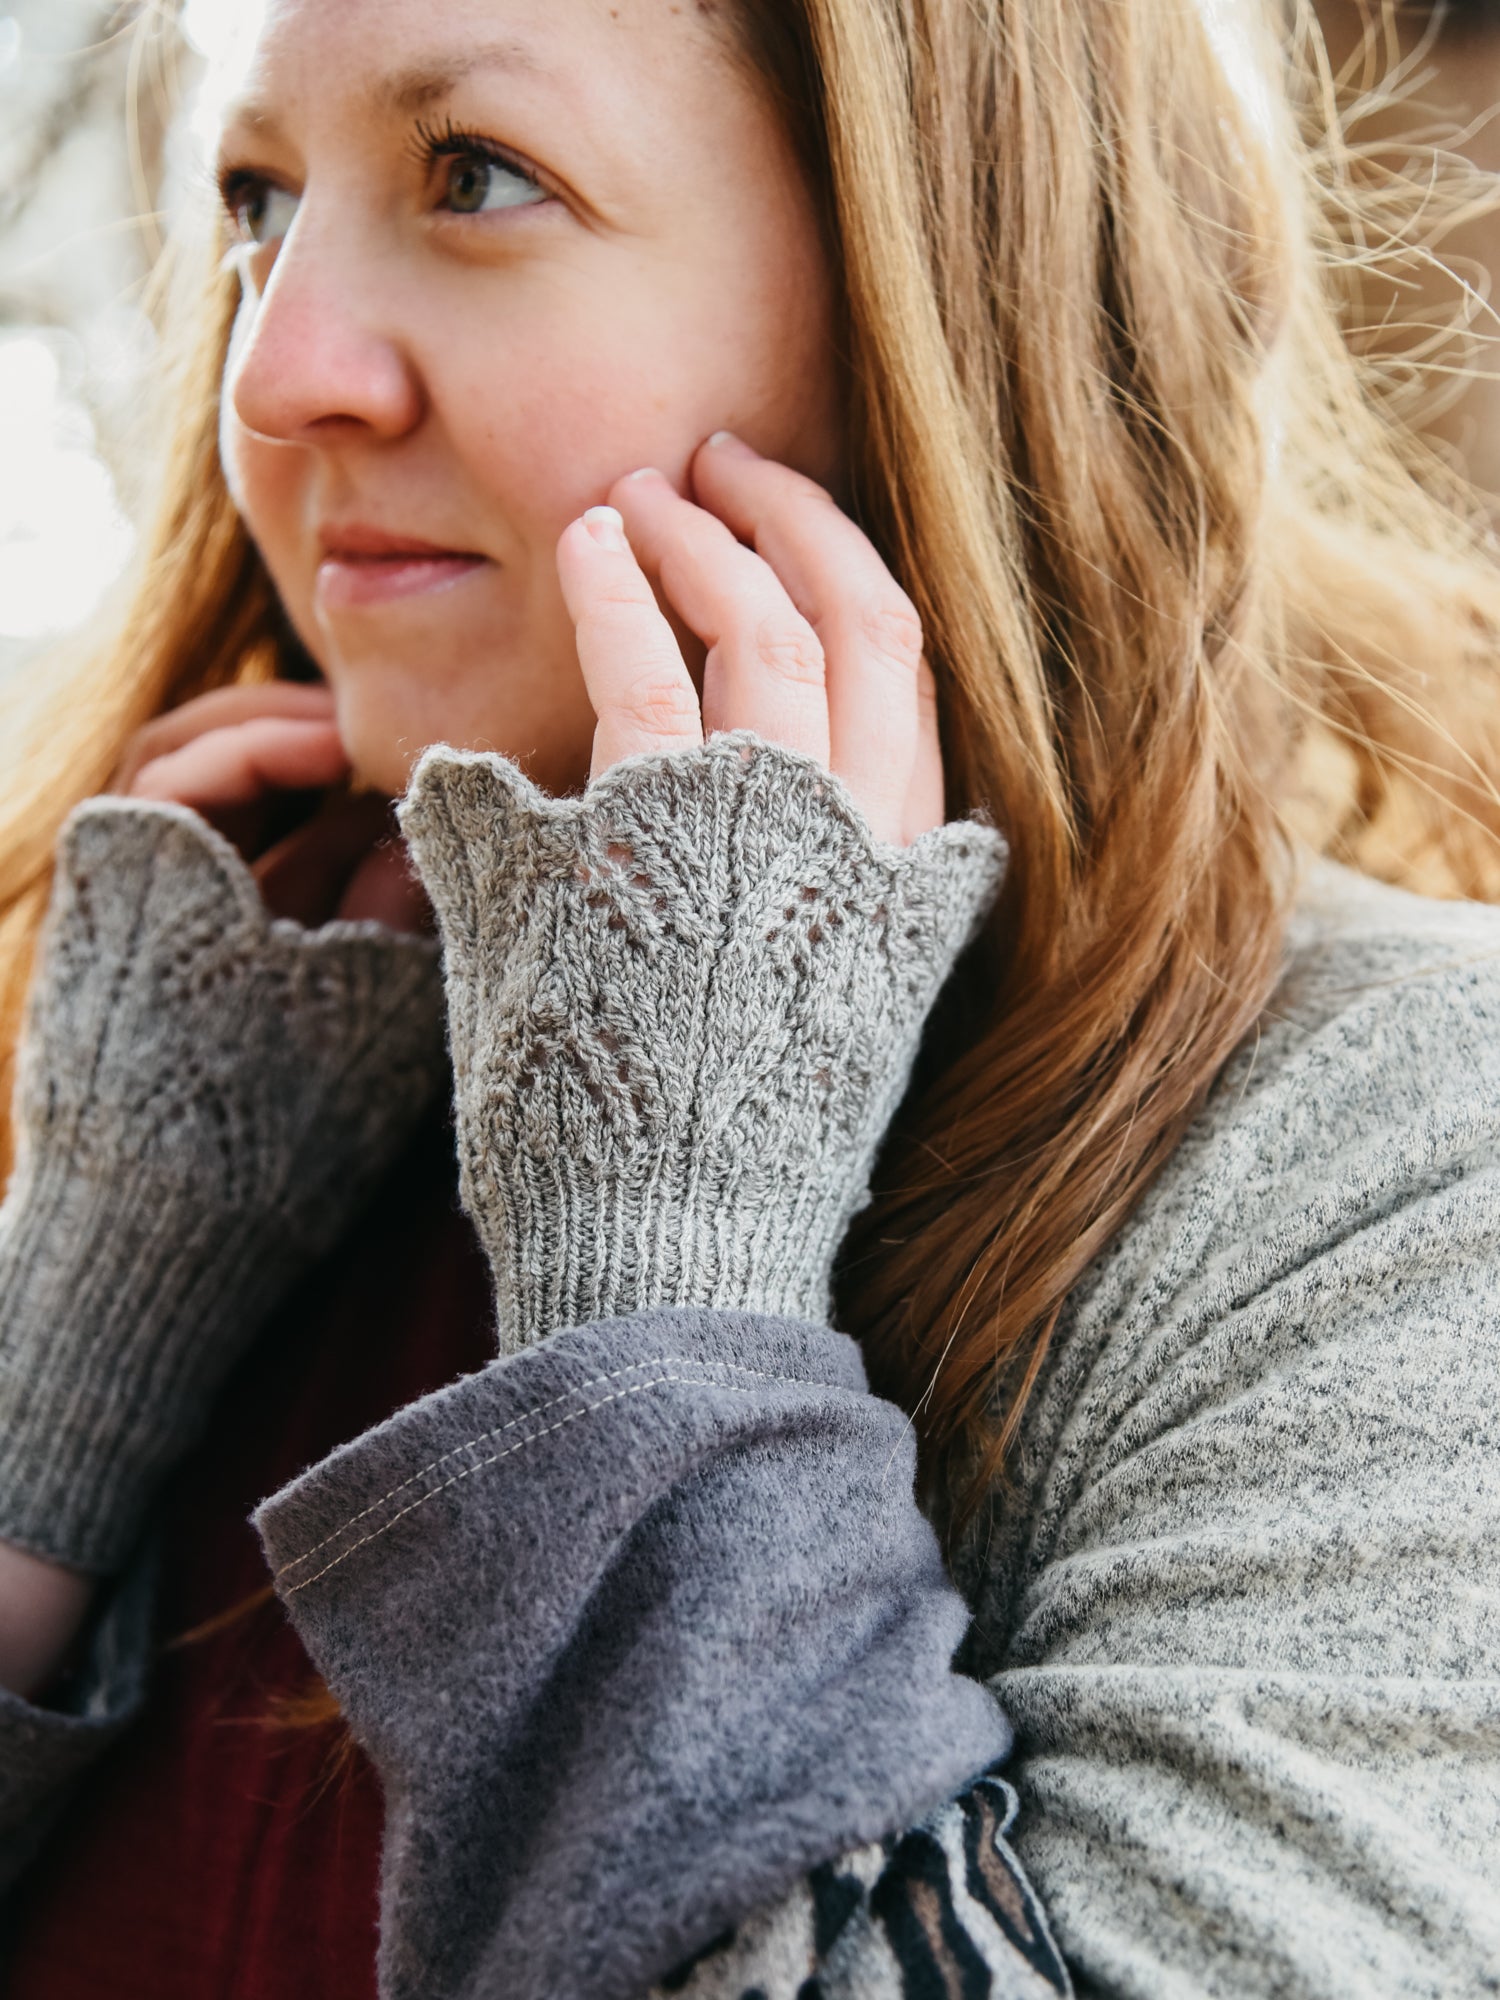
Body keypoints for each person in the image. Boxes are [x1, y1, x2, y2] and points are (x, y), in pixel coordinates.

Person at [0, 0, 1497, 1993]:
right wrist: (70, 1386)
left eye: (476, 176)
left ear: (937, 295)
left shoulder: (1402, 1157)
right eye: (258, 200)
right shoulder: (267, 1055)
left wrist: (667, 1275)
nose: (278, 369)